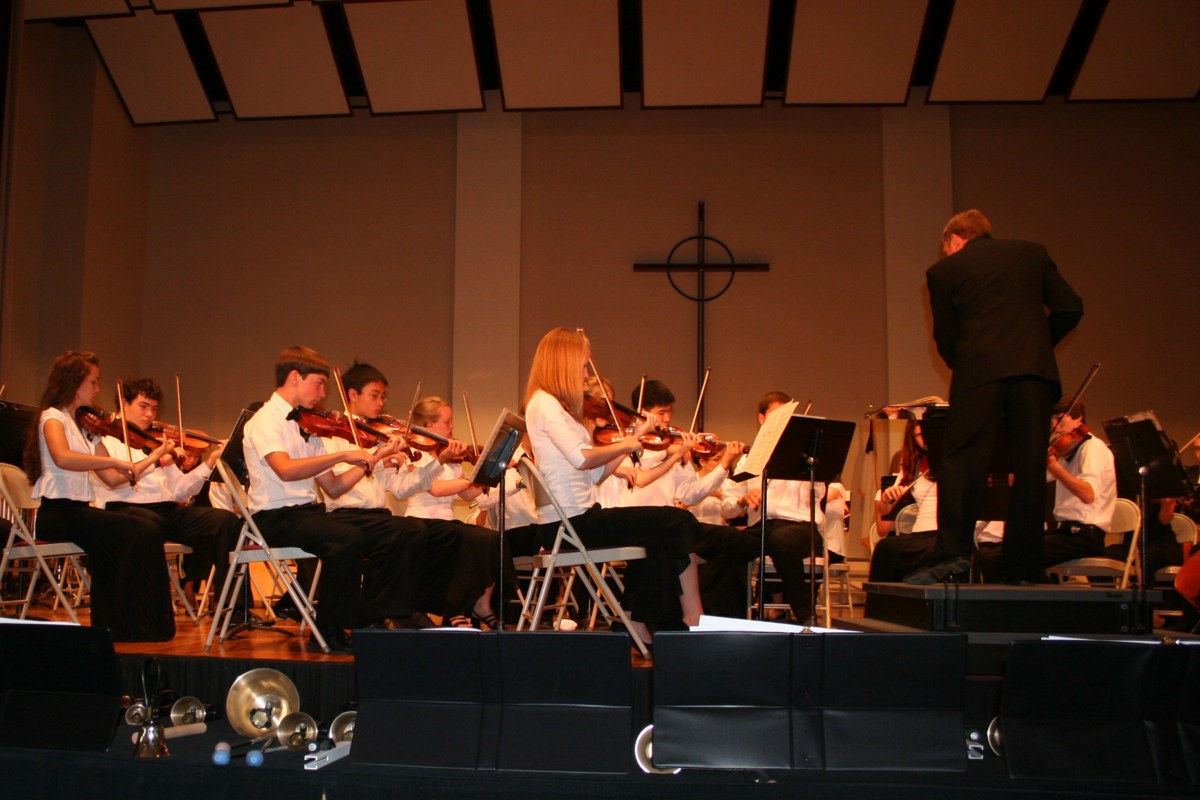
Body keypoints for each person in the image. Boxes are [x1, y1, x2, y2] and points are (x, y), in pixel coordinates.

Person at [912, 209, 1083, 585]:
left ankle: (954, 554)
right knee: (1029, 465)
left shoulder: (944, 271)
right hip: (1033, 374)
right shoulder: (1032, 253)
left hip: (979, 372)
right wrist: (1037, 346)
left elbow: (946, 338)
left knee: (961, 460)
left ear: (955, 240)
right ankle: (1025, 565)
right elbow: (1071, 307)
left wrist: (970, 364)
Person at [522, 327, 706, 645]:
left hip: (575, 520)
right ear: (563, 363)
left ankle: (645, 619)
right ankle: (682, 618)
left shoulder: (556, 408)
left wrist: (631, 439)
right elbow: (581, 459)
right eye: (583, 366)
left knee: (661, 529)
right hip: (570, 524)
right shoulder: (545, 405)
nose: (585, 374)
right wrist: (627, 443)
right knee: (676, 521)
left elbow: (594, 474)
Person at [241, 346, 403, 653]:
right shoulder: (265, 421)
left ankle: (372, 617)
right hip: (273, 517)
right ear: (295, 377)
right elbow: (285, 470)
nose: (322, 393)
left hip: (306, 514)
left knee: (385, 535)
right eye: (318, 384)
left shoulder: (308, 426)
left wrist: (375, 456)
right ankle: (328, 629)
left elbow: (334, 487)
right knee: (346, 539)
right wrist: (340, 455)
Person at [22, 351, 176, 641]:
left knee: (150, 525)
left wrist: (153, 456)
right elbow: (63, 457)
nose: (97, 389)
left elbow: (114, 479)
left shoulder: (85, 427)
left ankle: (132, 624)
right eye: (93, 382)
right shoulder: (52, 418)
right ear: (74, 383)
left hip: (79, 513)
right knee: (137, 529)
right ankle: (130, 625)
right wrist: (113, 460)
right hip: (56, 515)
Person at [320, 363, 461, 629]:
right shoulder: (331, 435)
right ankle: (379, 614)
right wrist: (378, 457)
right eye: (374, 396)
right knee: (404, 531)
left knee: (441, 533)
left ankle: (411, 607)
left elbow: (401, 488)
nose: (381, 403)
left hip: (377, 515)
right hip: (344, 515)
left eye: (383, 397)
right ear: (352, 395)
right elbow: (338, 485)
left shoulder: (376, 437)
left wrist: (438, 462)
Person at [93, 377, 241, 606]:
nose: (150, 415)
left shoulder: (155, 442)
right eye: (143, 406)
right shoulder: (104, 440)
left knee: (226, 521)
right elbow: (115, 481)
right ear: (123, 402)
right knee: (148, 525)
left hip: (165, 512)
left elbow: (180, 491)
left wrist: (210, 462)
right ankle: (150, 605)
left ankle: (232, 608)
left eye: (154, 409)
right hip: (124, 511)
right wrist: (157, 460)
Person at [720, 391, 829, 624]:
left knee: (781, 539)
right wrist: (742, 500)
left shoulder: (804, 456)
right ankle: (731, 619)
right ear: (762, 419)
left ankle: (805, 614)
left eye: (787, 416)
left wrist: (804, 468)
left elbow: (818, 495)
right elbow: (728, 510)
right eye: (777, 416)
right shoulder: (748, 460)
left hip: (801, 527)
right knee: (726, 543)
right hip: (762, 528)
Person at [403, 395, 506, 629]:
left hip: (447, 522)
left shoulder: (450, 457)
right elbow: (435, 489)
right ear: (429, 425)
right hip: (423, 521)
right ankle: (453, 610)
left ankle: (481, 604)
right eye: (447, 421)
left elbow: (468, 496)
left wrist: (487, 475)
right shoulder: (416, 453)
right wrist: (468, 481)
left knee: (492, 539)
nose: (453, 426)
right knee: (469, 539)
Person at [868, 417, 941, 583]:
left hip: (945, 533)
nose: (924, 441)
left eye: (925, 434)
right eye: (918, 436)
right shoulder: (912, 465)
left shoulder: (953, 461)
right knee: (884, 548)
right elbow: (884, 515)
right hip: (920, 534)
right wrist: (886, 499)